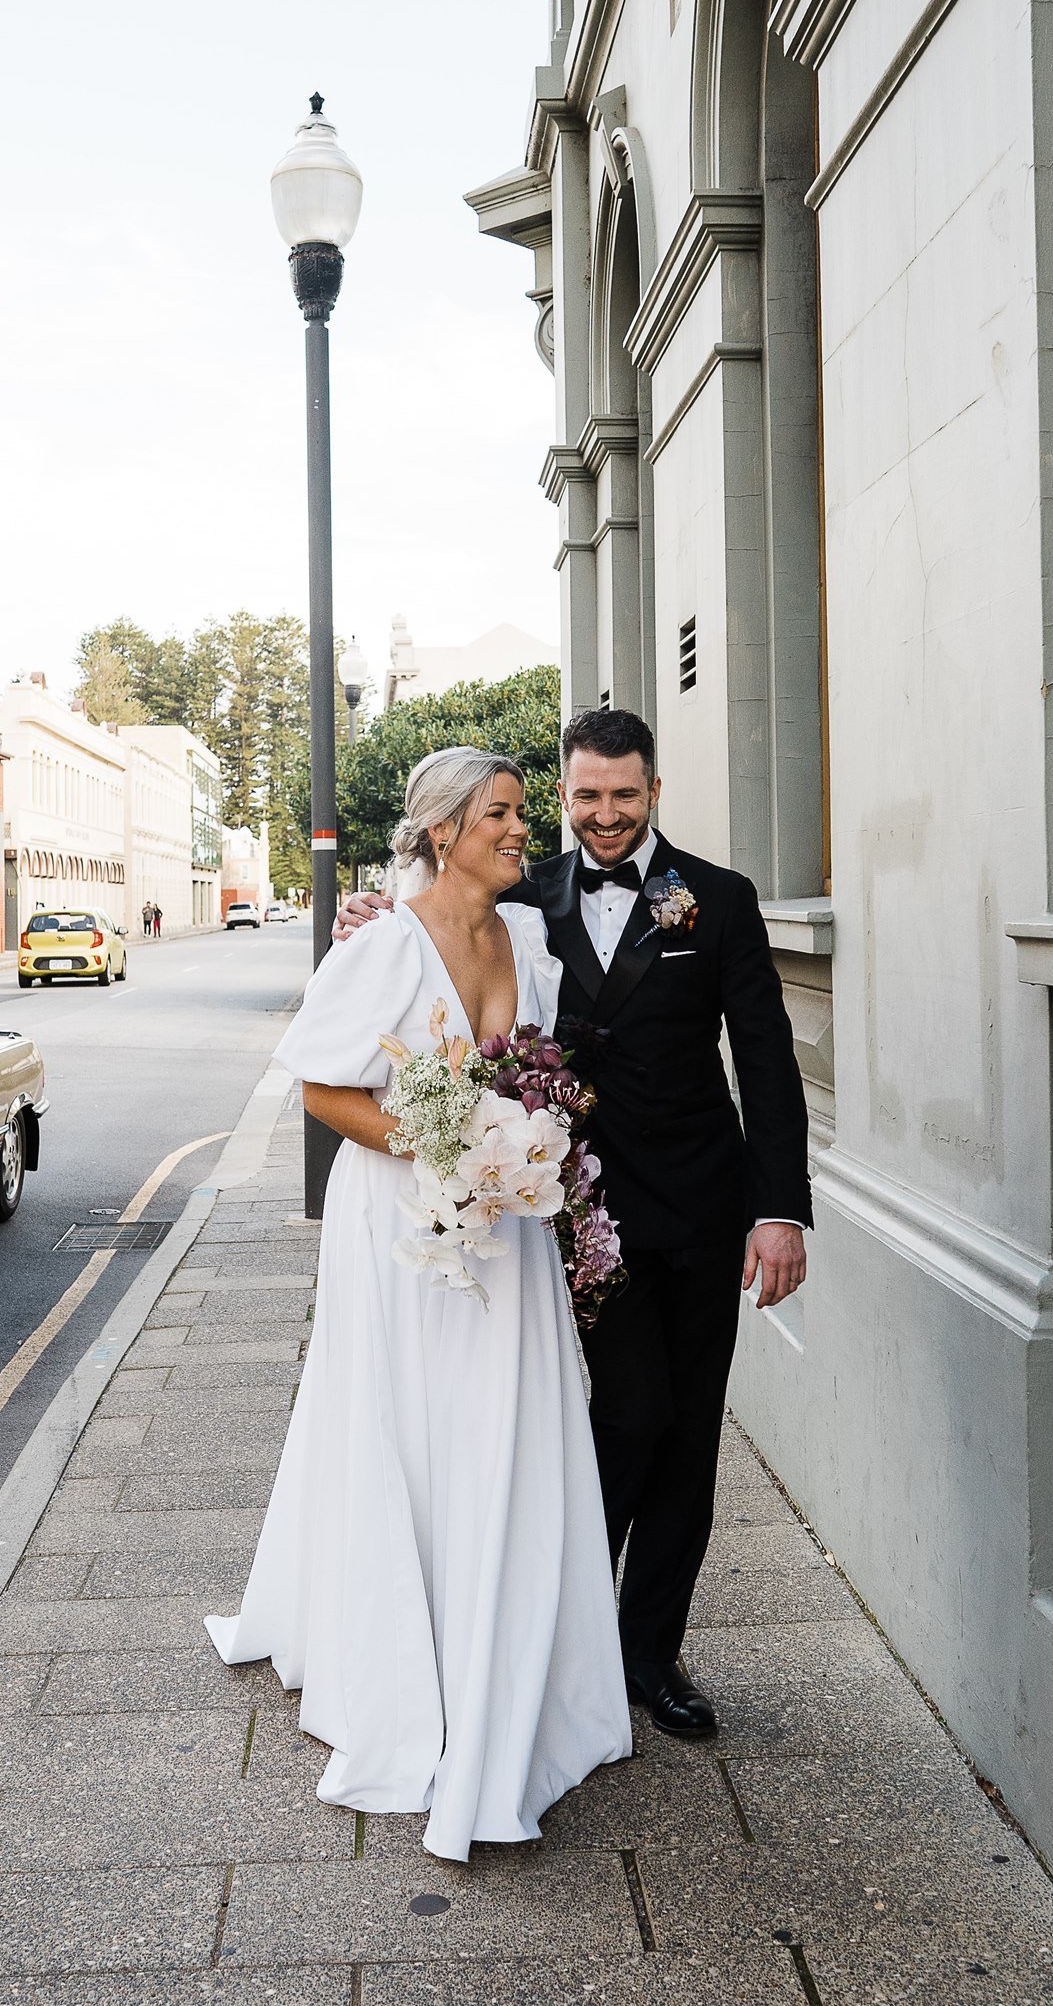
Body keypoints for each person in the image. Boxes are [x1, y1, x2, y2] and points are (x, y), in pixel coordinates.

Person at [336, 708, 811, 1740]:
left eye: (624, 794)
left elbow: (767, 1060)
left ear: (652, 791)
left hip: (698, 1204)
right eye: (586, 795)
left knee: (689, 1436)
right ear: (563, 794)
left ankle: (648, 1653)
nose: (604, 815)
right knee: (627, 1412)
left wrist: (778, 1210)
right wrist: (375, 913)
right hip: (570, 1213)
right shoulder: (522, 892)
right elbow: (435, 934)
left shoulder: (717, 900)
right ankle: (562, 1621)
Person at [205, 747, 630, 1862]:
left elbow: (539, 1070)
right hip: (399, 1223)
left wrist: (517, 1147)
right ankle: (404, 1668)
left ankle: (514, 1661)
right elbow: (324, 1086)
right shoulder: (384, 945)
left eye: (521, 813)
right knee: (408, 1424)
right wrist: (448, 1144)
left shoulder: (528, 937)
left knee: (507, 1426)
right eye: (499, 813)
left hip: (508, 1227)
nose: (518, 831)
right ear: (441, 828)